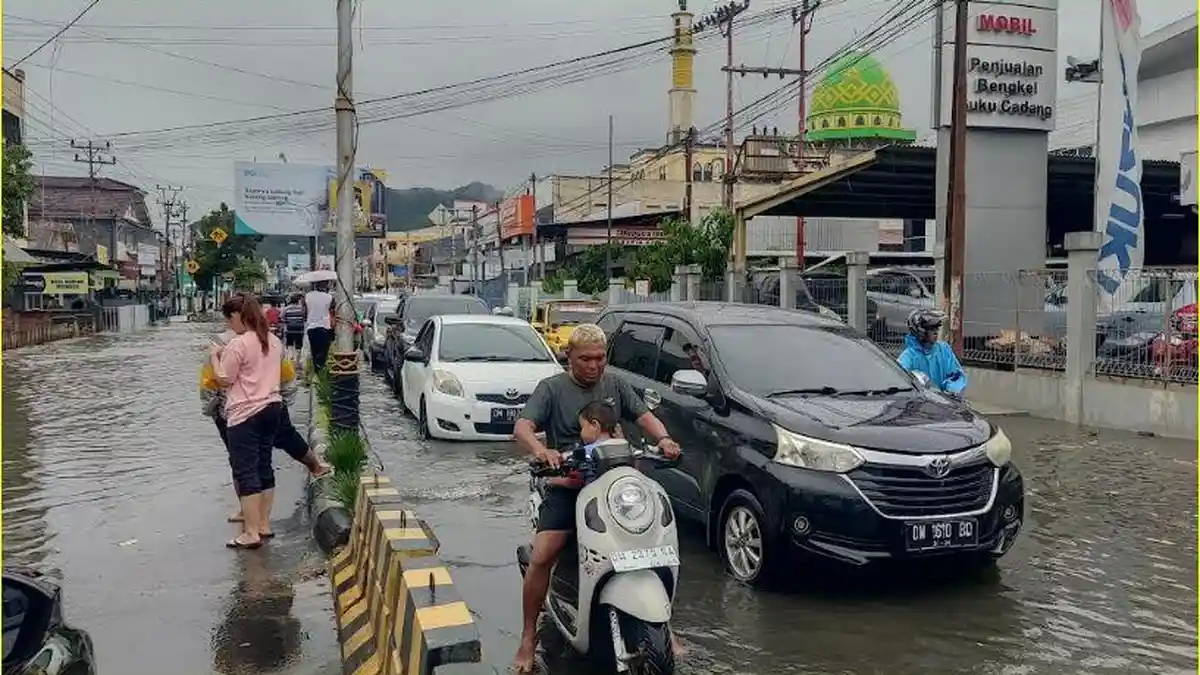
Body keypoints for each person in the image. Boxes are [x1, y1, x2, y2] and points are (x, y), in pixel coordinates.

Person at [511, 324, 682, 673]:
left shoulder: (616, 384)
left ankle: (665, 629)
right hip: (569, 485)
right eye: (585, 359)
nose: (594, 366)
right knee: (543, 555)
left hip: (617, 487)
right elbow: (523, 427)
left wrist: (664, 439)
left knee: (655, 544)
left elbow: (644, 416)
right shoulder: (552, 389)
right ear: (569, 357)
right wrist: (542, 451)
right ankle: (528, 638)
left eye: (600, 358)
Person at [202, 323, 331, 524]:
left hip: (235, 411)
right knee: (274, 450)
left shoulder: (222, 345)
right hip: (263, 406)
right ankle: (257, 517)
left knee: (243, 461)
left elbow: (209, 384)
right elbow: (287, 376)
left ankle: (249, 514)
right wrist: (284, 403)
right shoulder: (267, 342)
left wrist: (213, 411)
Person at [209, 294, 287, 550]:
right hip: (272, 408)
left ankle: (250, 532)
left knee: (246, 471)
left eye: (230, 318)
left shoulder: (238, 344)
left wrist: (214, 356)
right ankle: (264, 524)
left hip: (245, 413)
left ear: (238, 316)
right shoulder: (274, 341)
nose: (229, 324)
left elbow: (224, 380)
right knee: (265, 465)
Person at [898, 308, 968, 397]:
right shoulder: (907, 358)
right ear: (920, 331)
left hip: (946, 403)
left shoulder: (943, 349)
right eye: (931, 329)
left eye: (937, 328)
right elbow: (902, 383)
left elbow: (956, 375)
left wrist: (952, 391)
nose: (936, 332)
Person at [303, 281, 335, 373]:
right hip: (324, 327)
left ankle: (316, 372)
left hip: (311, 328)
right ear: (325, 285)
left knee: (314, 352)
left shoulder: (307, 296)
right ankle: (320, 372)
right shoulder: (329, 297)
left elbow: (304, 313)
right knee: (323, 353)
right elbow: (332, 311)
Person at [281, 294, 307, 363]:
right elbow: (304, 318)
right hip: (299, 330)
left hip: (290, 330)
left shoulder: (286, 309)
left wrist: (287, 321)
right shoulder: (301, 309)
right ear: (298, 301)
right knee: (299, 345)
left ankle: (290, 358)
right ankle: (297, 360)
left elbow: (282, 318)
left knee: (290, 344)